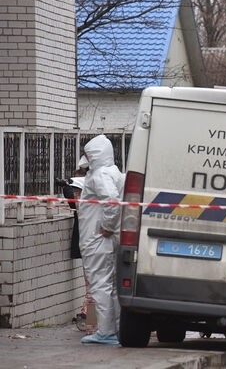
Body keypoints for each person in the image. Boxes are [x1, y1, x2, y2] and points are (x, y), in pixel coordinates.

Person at [78, 134, 125, 345]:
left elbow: (111, 201)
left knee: (99, 285)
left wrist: (107, 227)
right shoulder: (113, 172)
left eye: (89, 155)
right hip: (107, 239)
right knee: (110, 286)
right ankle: (113, 328)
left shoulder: (100, 175)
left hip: (96, 239)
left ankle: (105, 332)